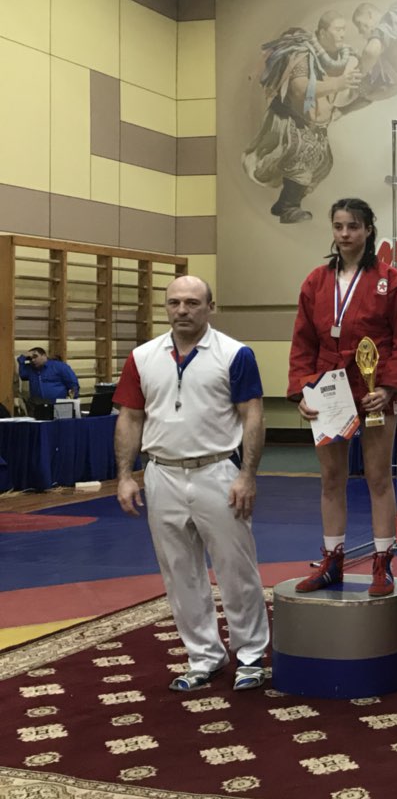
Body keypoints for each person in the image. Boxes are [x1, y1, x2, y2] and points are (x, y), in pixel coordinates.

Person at [112, 276, 269, 692]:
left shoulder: (235, 354)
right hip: (161, 473)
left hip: (218, 472)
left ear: (210, 307)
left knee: (236, 568)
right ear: (166, 306)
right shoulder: (142, 357)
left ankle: (250, 656)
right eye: (175, 302)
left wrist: (247, 475)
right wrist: (125, 476)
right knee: (179, 572)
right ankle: (203, 657)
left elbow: (252, 415)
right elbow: (130, 417)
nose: (182, 310)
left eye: (193, 303)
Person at [287, 199, 397, 595]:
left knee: (378, 477)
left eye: (354, 226)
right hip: (328, 389)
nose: (345, 234)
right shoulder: (315, 281)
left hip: (373, 391)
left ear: (368, 230)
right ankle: (332, 561)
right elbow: (303, 341)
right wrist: (301, 389)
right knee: (331, 478)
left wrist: (389, 388)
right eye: (339, 226)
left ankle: (382, 562)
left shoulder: (391, 282)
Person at [242, 12, 363, 224]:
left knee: (323, 162)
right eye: (338, 29)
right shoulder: (303, 54)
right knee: (303, 155)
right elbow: (299, 89)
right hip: (290, 118)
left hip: (315, 124)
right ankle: (290, 208)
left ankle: (283, 203)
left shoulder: (345, 56)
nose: (343, 34)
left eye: (344, 29)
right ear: (323, 32)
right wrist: (338, 84)